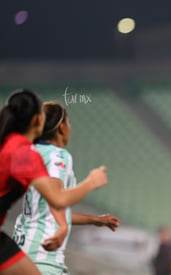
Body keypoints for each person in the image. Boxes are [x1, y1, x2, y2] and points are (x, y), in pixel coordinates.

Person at [0, 90, 108, 274]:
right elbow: (57, 198)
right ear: (37, 121)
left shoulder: (15, 146)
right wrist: (91, 181)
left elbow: (51, 198)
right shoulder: (31, 153)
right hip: (38, 251)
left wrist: (83, 222)